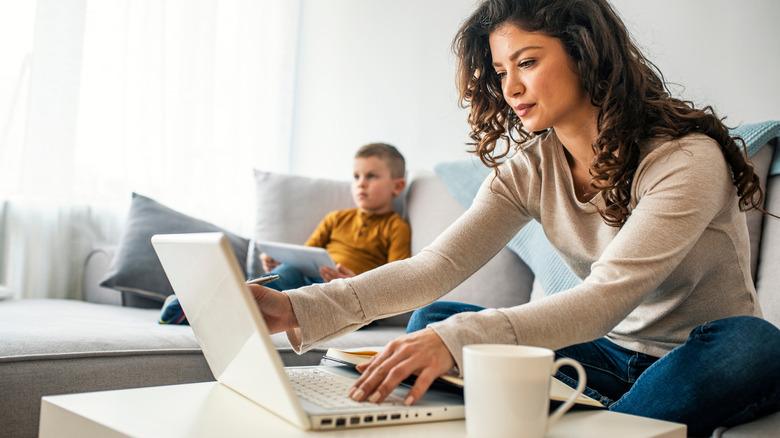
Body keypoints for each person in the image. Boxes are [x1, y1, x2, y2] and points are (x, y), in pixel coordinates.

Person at [249, 0, 780, 435]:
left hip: (704, 353)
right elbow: (436, 266)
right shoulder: (530, 169)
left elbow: (607, 296)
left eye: (527, 62)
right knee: (434, 322)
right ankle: (611, 415)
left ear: (585, 54)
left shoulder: (685, 160)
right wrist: (294, 307)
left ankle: (609, 423)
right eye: (502, 71)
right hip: (610, 356)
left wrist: (459, 341)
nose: (510, 88)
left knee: (751, 344)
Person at [260, 142, 411, 290]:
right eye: (356, 176)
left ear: (397, 186)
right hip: (307, 278)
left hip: (347, 290)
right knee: (286, 272)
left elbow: (396, 281)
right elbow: (304, 256)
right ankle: (254, 295)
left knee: (333, 293)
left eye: (371, 176)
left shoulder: (397, 227)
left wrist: (356, 284)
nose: (361, 183)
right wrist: (278, 263)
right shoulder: (336, 218)